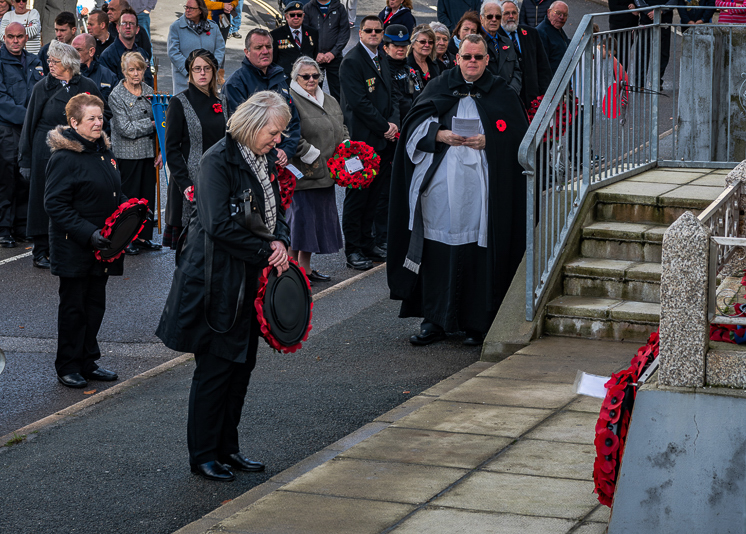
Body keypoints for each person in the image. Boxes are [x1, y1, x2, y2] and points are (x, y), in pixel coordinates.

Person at [156, 91, 292, 482]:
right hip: (216, 280)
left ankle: (228, 448)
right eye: (273, 132)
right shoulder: (216, 160)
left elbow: (275, 209)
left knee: (241, 367)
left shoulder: (261, 156)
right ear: (252, 125)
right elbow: (217, 225)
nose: (278, 140)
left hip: (247, 277)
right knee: (216, 370)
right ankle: (203, 455)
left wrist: (281, 241)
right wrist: (267, 251)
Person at [388, 34, 529, 347]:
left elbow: (521, 138)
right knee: (436, 250)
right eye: (467, 57)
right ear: (457, 58)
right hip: (441, 188)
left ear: (487, 60)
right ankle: (434, 320)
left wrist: (490, 140)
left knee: (480, 252)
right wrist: (440, 134)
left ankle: (477, 323)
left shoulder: (501, 92)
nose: (472, 62)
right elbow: (412, 126)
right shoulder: (439, 86)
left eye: (478, 57)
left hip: (483, 190)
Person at [44, 94, 123, 389]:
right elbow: (55, 204)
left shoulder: (104, 152)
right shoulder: (64, 158)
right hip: (75, 247)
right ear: (74, 123)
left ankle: (88, 361)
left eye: (100, 117)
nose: (98, 123)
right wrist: (88, 233)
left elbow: (113, 192)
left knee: (94, 306)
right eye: (91, 118)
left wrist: (133, 210)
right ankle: (68, 365)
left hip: (102, 247)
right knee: (74, 309)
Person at [20, 40, 103, 269]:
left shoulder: (86, 85)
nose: (50, 64)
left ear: (68, 63)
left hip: (78, 151)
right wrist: (25, 159)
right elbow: (29, 124)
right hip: (45, 151)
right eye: (49, 60)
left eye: (55, 61)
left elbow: (103, 114)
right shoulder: (42, 87)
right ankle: (41, 250)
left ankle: (71, 244)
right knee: (44, 199)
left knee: (74, 199)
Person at [339, 15, 400, 270]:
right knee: (357, 198)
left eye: (378, 30)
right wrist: (385, 127)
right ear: (361, 33)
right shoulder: (352, 61)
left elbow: (392, 95)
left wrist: (393, 122)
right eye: (369, 30)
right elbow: (359, 104)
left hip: (383, 141)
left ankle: (367, 244)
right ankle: (353, 249)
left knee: (374, 197)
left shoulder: (381, 56)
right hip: (362, 143)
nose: (374, 34)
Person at [287, 57, 346, 284]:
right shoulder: (290, 100)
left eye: (315, 76)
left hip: (327, 173)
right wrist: (312, 155)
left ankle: (306, 268)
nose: (311, 80)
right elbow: (289, 134)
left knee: (314, 226)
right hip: (304, 174)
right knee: (300, 225)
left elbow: (341, 126)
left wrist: (346, 146)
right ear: (296, 78)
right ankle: (291, 272)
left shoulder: (329, 100)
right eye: (305, 76)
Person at [163, 49, 226, 248]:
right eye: (197, 69)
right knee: (189, 248)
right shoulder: (178, 102)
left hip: (218, 177)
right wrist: (185, 184)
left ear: (214, 71)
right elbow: (171, 148)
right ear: (190, 72)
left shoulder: (222, 101)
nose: (202, 73)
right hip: (189, 181)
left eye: (207, 68)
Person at [108, 51, 161, 254]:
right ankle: (126, 238)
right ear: (124, 71)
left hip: (148, 153)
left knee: (147, 197)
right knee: (129, 200)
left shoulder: (150, 90)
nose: (136, 73)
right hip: (127, 155)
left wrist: (161, 151)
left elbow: (162, 122)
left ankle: (143, 237)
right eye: (132, 70)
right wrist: (152, 124)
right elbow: (126, 129)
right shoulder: (116, 95)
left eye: (139, 69)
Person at [224, 28, 301, 163]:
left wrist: (286, 150)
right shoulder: (235, 84)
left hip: (282, 160)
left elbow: (293, 119)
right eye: (258, 48)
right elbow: (240, 130)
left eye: (268, 47)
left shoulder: (280, 78)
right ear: (247, 52)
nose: (265, 51)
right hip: (252, 161)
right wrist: (273, 153)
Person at [0, 22, 43, 248]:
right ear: (4, 38)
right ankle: (4, 228)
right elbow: (1, 99)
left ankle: (21, 225)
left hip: (31, 128)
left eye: (19, 36)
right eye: (11, 37)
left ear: (26, 38)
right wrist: (29, 117)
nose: (15, 41)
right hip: (8, 128)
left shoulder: (36, 62)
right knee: (7, 177)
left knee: (26, 176)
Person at [499, 0, 551, 105]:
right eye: (506, 13)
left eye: (514, 13)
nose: (511, 16)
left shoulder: (532, 33)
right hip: (509, 98)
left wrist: (545, 94)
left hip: (533, 97)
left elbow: (543, 66)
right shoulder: (495, 37)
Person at [167, 0, 224, 94]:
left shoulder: (213, 27)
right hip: (185, 81)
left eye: (191, 8)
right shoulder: (176, 27)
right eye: (186, 7)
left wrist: (212, 69)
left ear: (200, 10)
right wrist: (191, 70)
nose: (187, 10)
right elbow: (173, 52)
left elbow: (220, 49)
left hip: (208, 82)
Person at [303, 0, 349, 101]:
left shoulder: (339, 8)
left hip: (335, 57)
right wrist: (315, 53)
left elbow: (344, 32)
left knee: (338, 92)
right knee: (312, 92)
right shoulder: (308, 8)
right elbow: (304, 33)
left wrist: (333, 52)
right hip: (314, 59)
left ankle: (337, 111)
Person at [99, 6, 154, 86]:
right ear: (118, 28)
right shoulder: (107, 56)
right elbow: (107, 88)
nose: (128, 26)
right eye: (124, 23)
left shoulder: (143, 54)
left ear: (137, 29)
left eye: (131, 23)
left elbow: (149, 83)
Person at [270, 1, 319, 80]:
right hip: (286, 79)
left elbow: (315, 56)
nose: (296, 17)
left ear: (303, 16)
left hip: (306, 79)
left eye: (299, 15)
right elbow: (273, 61)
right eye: (292, 15)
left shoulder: (313, 33)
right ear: (286, 16)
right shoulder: (276, 35)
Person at [481, 0, 521, 94]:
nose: (494, 19)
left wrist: (512, 90)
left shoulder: (507, 42)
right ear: (481, 18)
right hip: (486, 96)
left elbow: (517, 71)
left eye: (498, 16)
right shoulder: (475, 42)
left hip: (509, 95)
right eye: (490, 16)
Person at [384, 24, 422, 119]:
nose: (401, 49)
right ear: (386, 48)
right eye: (396, 46)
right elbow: (397, 102)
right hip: (397, 120)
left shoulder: (409, 67)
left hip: (414, 116)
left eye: (404, 45)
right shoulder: (384, 71)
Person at [72, 33, 118, 103]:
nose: (74, 54)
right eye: (72, 50)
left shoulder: (108, 76)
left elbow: (116, 103)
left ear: (91, 51)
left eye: (78, 50)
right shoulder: (68, 74)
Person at [38, 11, 77, 75]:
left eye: (62, 30)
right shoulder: (45, 51)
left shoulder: (81, 49)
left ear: (73, 30)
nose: (58, 34)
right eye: (56, 30)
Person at [536, 0, 569, 75]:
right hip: (552, 79)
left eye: (565, 15)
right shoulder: (541, 33)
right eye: (558, 13)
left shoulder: (557, 28)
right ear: (548, 12)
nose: (561, 17)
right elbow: (541, 64)